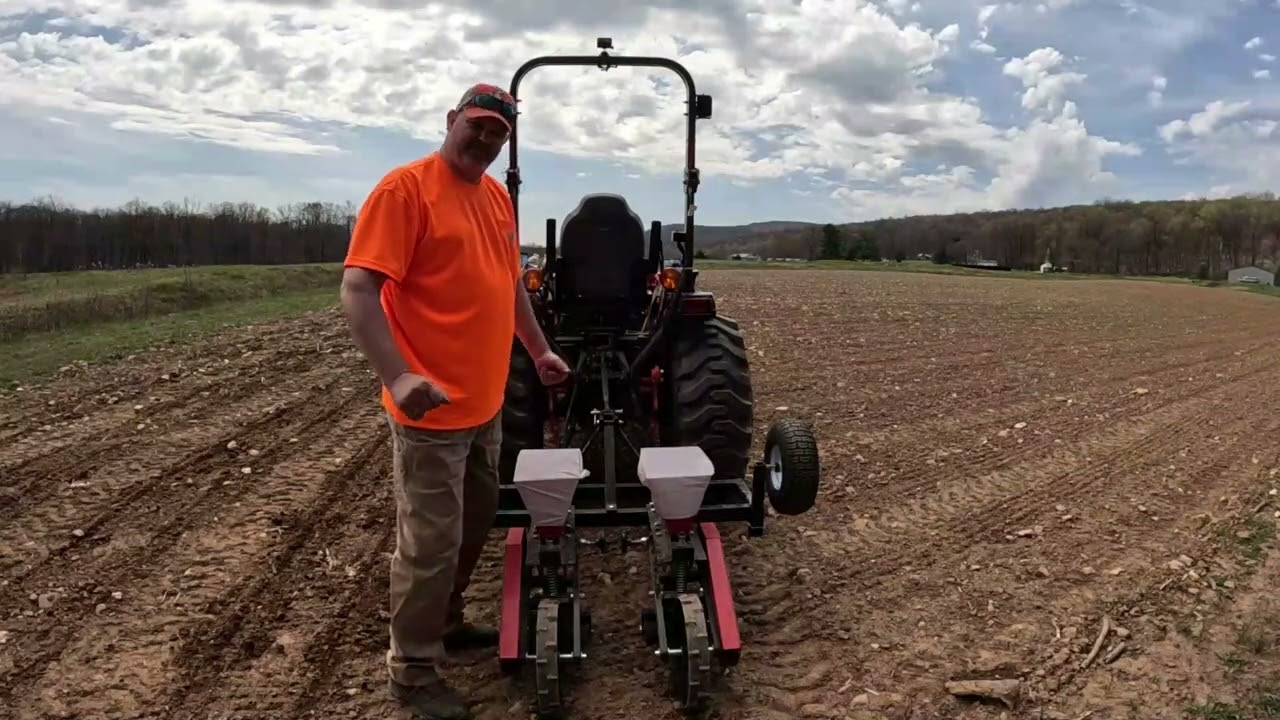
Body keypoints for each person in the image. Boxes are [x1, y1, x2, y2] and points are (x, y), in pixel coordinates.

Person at [339, 82, 571, 720]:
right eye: (477, 126)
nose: (487, 140)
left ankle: (443, 620)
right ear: (451, 120)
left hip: (484, 404)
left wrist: (541, 350)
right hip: (430, 411)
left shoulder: (495, 197)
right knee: (429, 541)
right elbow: (359, 290)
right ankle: (412, 669)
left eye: (499, 134)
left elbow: (508, 286)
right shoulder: (404, 191)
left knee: (474, 523)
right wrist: (398, 376)